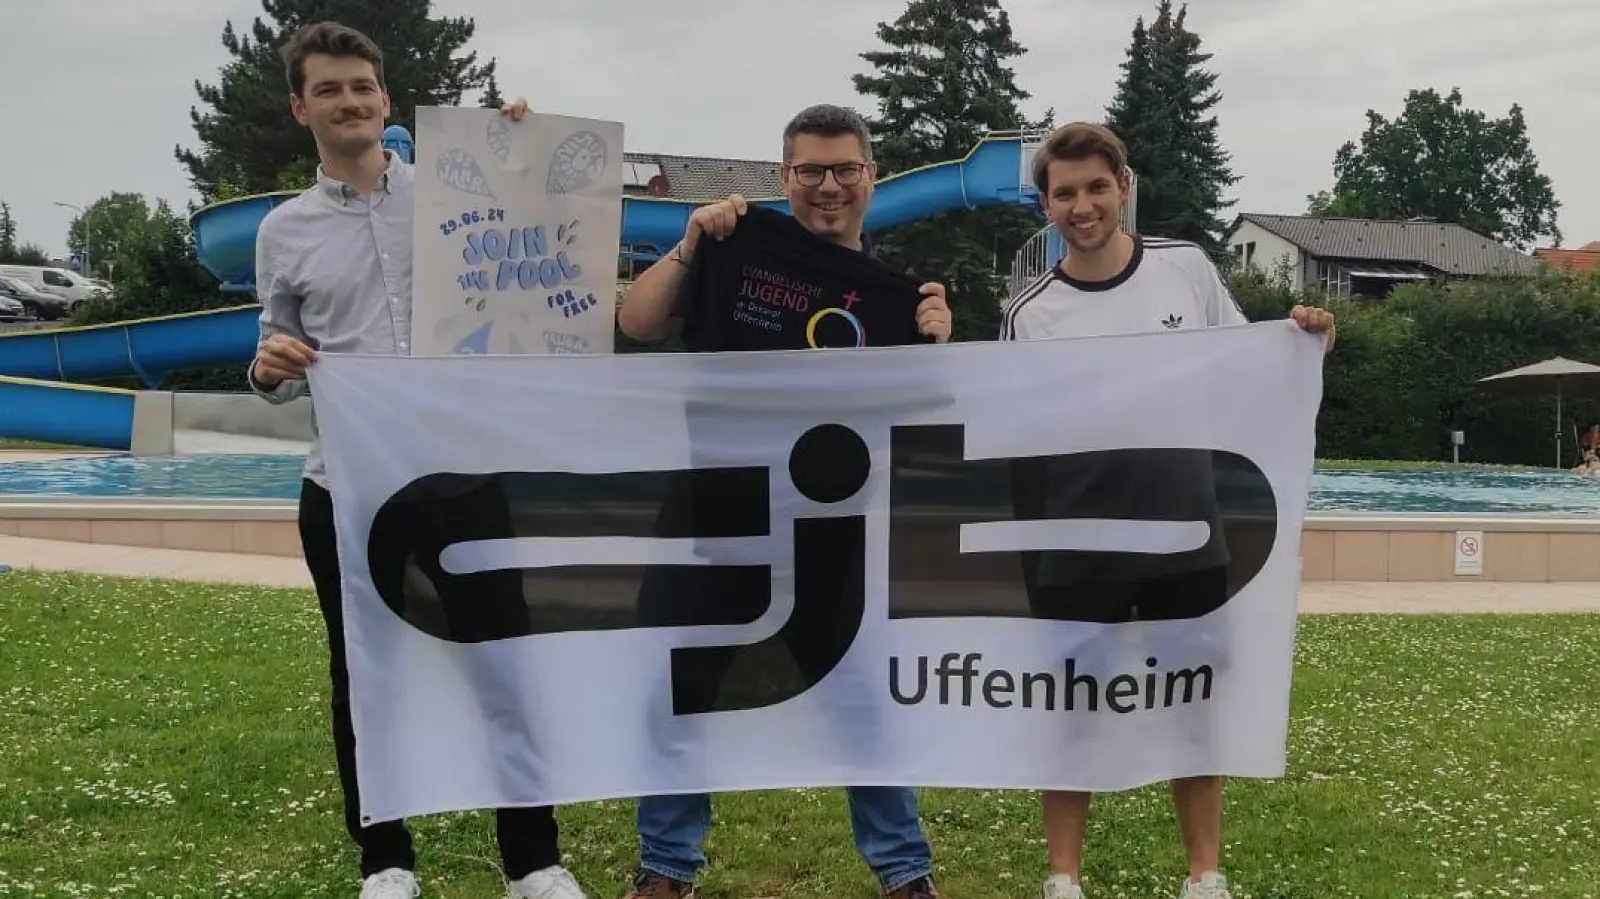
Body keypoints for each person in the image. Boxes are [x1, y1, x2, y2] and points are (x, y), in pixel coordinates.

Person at [245, 21, 587, 899]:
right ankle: (387, 859)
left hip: (470, 474)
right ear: (300, 106)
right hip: (347, 485)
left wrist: (522, 143)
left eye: (362, 85)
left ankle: (533, 860)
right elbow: (273, 362)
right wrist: (267, 367)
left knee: (502, 662)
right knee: (365, 671)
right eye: (329, 89)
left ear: (385, 97)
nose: (349, 100)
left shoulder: (454, 194)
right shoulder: (281, 231)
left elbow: (549, 242)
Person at [614, 103, 951, 899]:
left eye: (844, 170)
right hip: (712, 516)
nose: (828, 187)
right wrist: (689, 245)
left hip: (832, 532)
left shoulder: (898, 299)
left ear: (872, 176)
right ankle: (666, 869)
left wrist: (937, 344)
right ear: (783, 176)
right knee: (679, 693)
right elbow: (637, 321)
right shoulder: (734, 248)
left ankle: (905, 873)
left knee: (860, 699)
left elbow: (927, 421)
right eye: (810, 171)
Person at [999, 122, 1335, 899]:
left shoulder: (1185, 269)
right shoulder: (1030, 313)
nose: (1081, 206)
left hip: (1186, 530)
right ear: (1045, 205)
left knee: (1195, 705)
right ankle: (1062, 878)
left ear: (1123, 186)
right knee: (1070, 712)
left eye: (1094, 187)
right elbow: (1015, 438)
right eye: (1063, 193)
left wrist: (1308, 340)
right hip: (1077, 540)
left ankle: (1204, 875)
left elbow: (1248, 366)